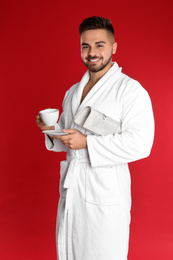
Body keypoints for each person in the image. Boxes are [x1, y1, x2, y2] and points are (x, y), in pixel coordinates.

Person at [36, 16, 154, 260]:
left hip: (105, 192)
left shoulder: (129, 90)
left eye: (99, 45)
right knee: (69, 251)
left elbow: (141, 143)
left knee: (103, 253)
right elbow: (70, 140)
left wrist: (88, 142)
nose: (92, 53)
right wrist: (52, 130)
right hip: (73, 188)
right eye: (85, 46)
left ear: (113, 47)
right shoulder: (73, 92)